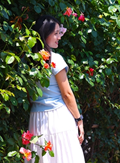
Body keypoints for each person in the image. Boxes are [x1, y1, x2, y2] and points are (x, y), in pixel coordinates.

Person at [27, 15, 85, 163]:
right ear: (44, 35)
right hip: (58, 118)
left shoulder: (27, 60)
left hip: (37, 119)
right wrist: (79, 119)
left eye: (60, 32)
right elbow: (67, 94)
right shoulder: (55, 59)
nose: (59, 37)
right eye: (56, 33)